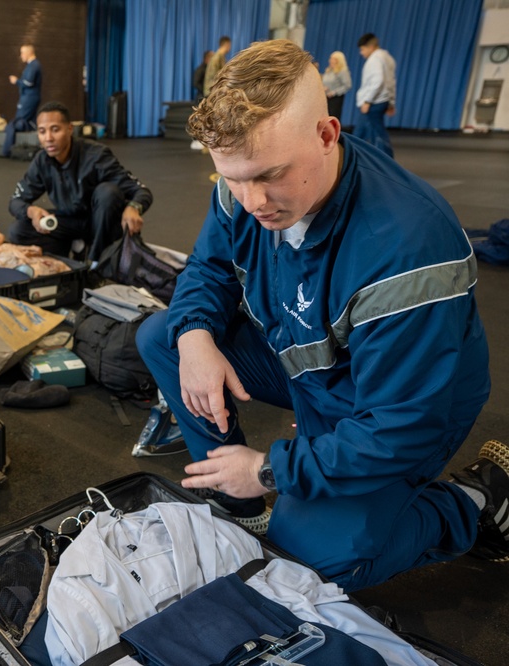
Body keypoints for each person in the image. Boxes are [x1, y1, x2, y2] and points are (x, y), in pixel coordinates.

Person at [135, 39, 503, 593]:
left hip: (396, 407)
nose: (251, 200)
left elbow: (397, 428)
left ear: (328, 135)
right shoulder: (242, 183)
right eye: (231, 179)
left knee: (310, 561)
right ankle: (240, 499)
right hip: (310, 362)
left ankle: (478, 499)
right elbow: (209, 271)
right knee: (164, 335)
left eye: (269, 176)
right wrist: (194, 340)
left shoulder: (407, 248)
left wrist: (268, 468)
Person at [8, 102, 151, 263]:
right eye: (42, 131)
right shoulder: (41, 161)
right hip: (69, 222)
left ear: (70, 129)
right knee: (17, 230)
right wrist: (31, 211)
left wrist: (134, 207)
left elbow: (141, 191)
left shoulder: (96, 155)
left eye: (55, 129)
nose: (48, 138)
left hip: (101, 224)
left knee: (108, 192)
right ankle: (70, 257)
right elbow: (15, 201)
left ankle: (97, 262)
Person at [355, 33, 397, 158]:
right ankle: (372, 159)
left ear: (371, 47)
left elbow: (378, 81)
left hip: (374, 102)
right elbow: (391, 82)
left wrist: (368, 101)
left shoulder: (374, 60)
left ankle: (385, 160)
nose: (361, 53)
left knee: (370, 133)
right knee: (368, 132)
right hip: (382, 101)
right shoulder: (387, 58)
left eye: (362, 49)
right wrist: (391, 102)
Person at [2, 43, 42, 157]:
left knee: (17, 123)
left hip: (29, 98)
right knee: (31, 123)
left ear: (29, 53)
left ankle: (8, 150)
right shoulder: (32, 65)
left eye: (22, 53)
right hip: (29, 97)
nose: (21, 55)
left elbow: (28, 83)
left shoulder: (34, 65)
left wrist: (16, 81)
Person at [322, 51, 352, 121]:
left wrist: (334, 92)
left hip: (335, 99)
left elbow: (347, 85)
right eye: (330, 58)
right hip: (325, 98)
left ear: (338, 60)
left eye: (333, 59)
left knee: (332, 118)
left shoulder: (343, 71)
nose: (330, 60)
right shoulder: (329, 70)